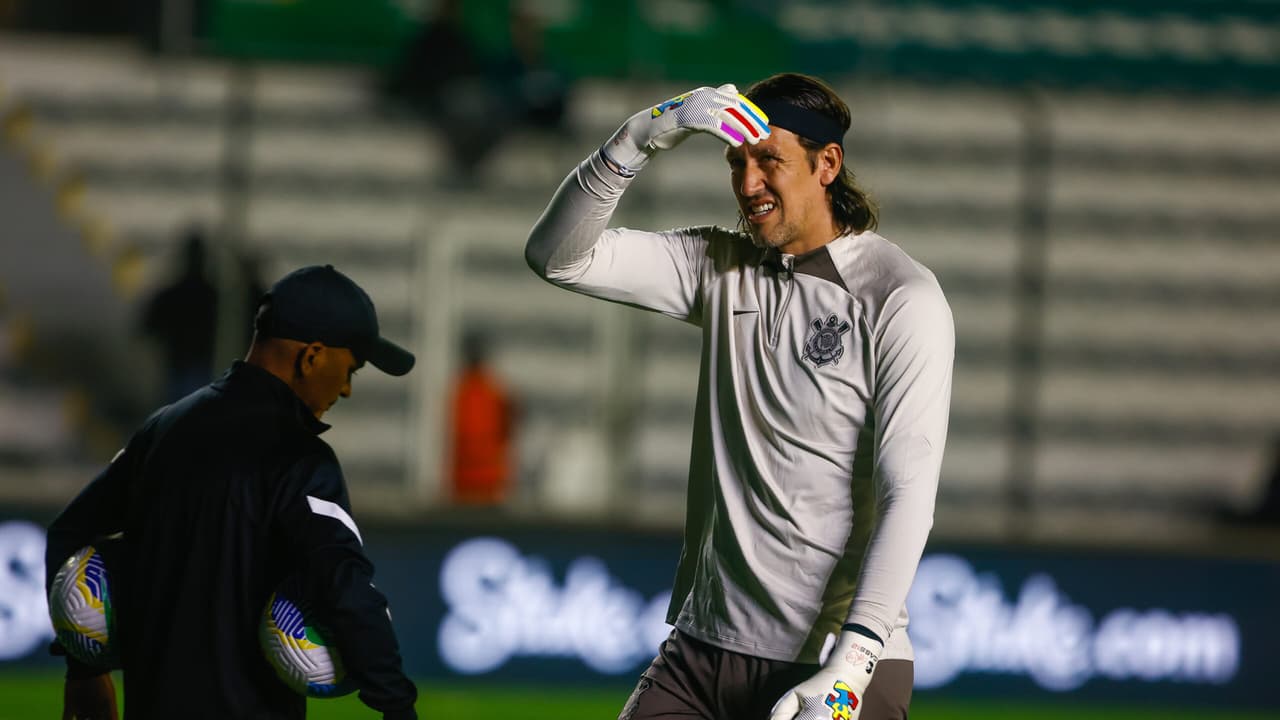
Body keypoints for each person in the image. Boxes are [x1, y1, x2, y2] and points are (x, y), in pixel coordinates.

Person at [525, 74, 954, 720]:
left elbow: (909, 492)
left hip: (832, 657)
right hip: (701, 651)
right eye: (736, 162)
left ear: (827, 164)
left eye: (768, 160)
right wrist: (646, 132)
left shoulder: (899, 298)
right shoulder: (718, 266)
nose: (748, 183)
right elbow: (556, 257)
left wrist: (853, 664)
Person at [46, 265, 420, 720]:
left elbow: (69, 532)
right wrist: (397, 704)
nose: (345, 389)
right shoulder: (302, 459)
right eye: (351, 370)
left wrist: (84, 671)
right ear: (313, 356)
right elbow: (344, 586)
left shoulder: (164, 429)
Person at [140, 226, 218, 403]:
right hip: (193, 366)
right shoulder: (214, 295)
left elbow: (147, 327)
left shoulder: (174, 293)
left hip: (184, 366)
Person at [448, 330, 515, 505]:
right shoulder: (466, 390)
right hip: (466, 481)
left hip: (487, 481)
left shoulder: (490, 390)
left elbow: (507, 427)